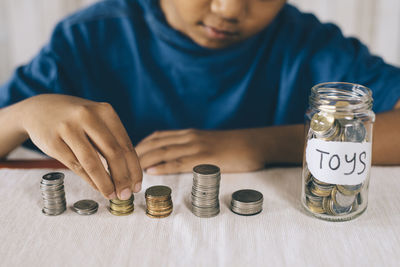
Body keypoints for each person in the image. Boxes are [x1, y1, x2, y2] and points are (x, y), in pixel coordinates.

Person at [0, 0, 399, 201]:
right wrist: (21, 115)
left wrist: (259, 144)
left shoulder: (309, 44)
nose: (229, 9)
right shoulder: (87, 37)